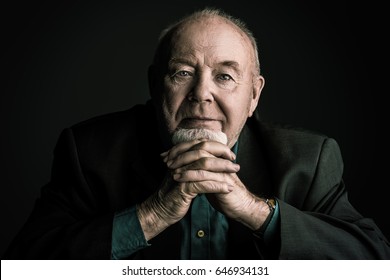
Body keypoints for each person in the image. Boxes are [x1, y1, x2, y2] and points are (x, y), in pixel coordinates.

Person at [4, 7, 390, 260]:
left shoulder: (310, 157)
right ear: (157, 86)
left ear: (253, 95)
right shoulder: (89, 151)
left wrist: (253, 210)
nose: (201, 94)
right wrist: (152, 214)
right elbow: (25, 264)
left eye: (224, 76)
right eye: (183, 73)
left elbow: (374, 260)